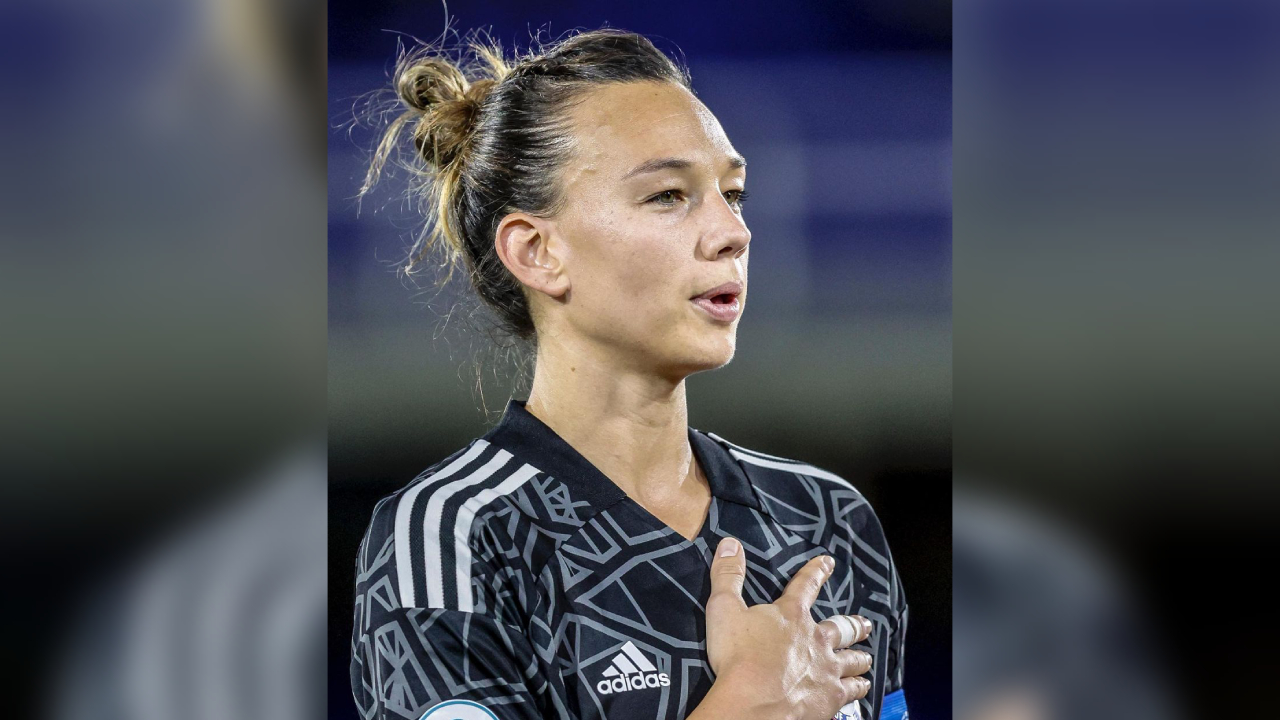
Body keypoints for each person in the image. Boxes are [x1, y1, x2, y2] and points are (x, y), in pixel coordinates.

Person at [348, 27, 909, 720]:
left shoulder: (827, 520)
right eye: (669, 195)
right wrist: (749, 705)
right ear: (537, 251)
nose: (734, 232)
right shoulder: (453, 532)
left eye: (732, 193)